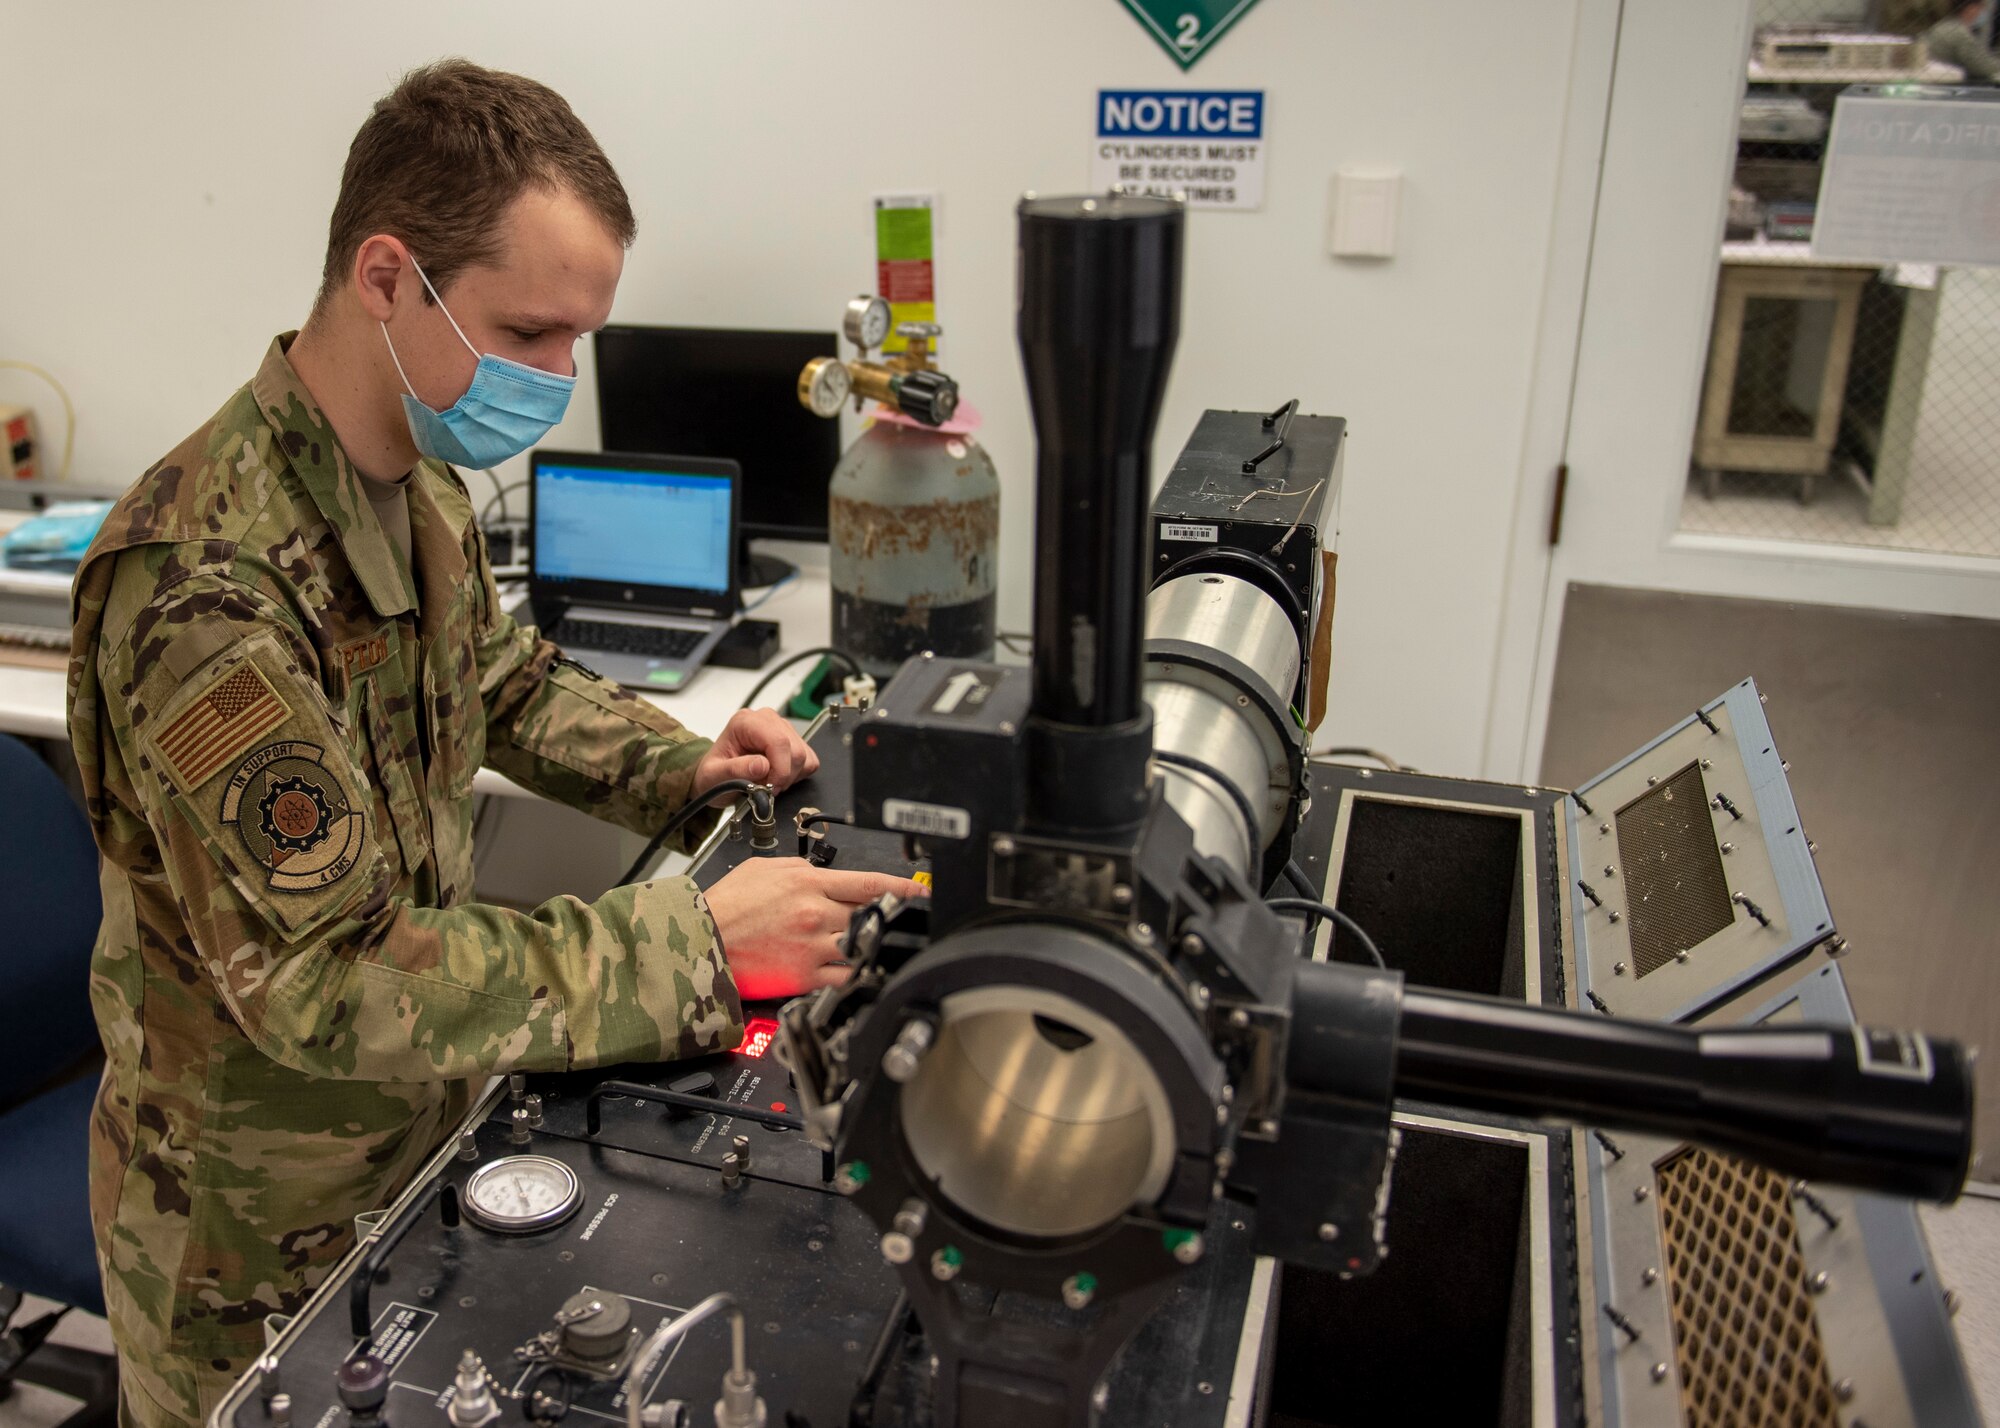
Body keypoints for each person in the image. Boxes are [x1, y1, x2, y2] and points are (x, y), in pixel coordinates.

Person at [64, 59, 921, 1427]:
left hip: (422, 1146)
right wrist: (693, 945)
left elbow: (502, 681)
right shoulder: (205, 586)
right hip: (246, 1234)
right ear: (388, 275)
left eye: (579, 340)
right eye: (530, 332)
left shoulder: (417, 485)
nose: (557, 378)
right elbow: (326, 982)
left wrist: (679, 761)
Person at [1924, 0, 2000, 82]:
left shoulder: (1942, 26)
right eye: (1981, 7)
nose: (1983, 12)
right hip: (1949, 83)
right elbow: (1981, 66)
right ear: (1971, 8)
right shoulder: (1959, 33)